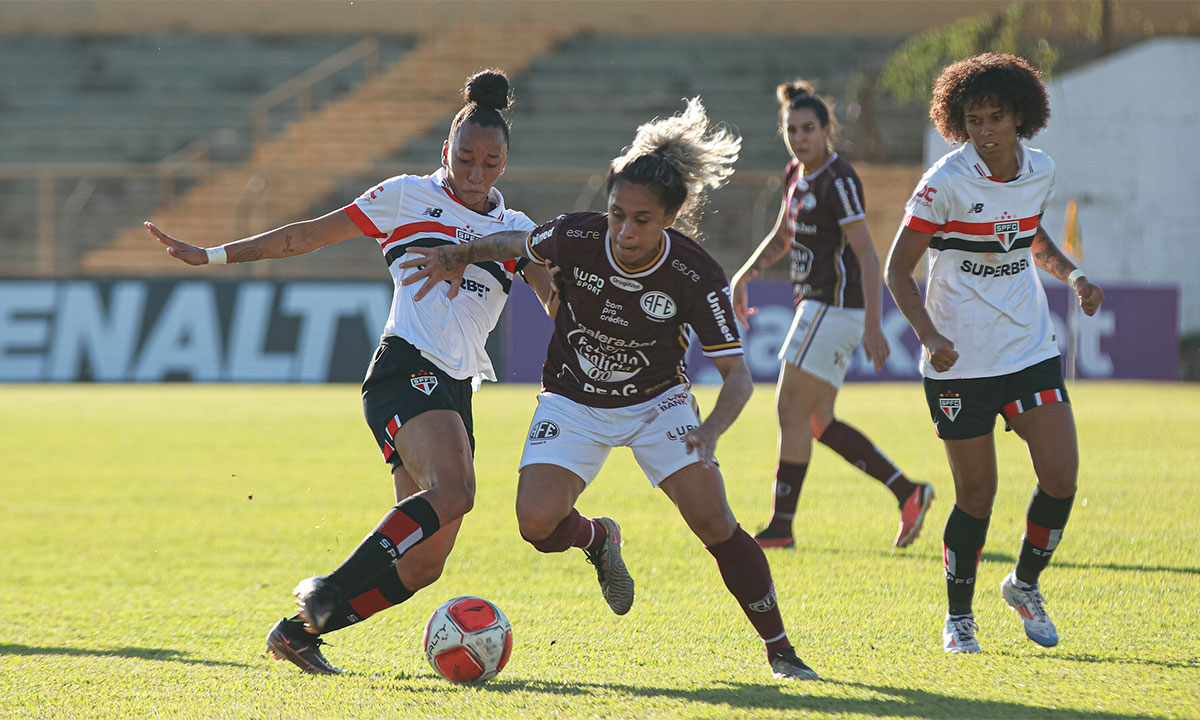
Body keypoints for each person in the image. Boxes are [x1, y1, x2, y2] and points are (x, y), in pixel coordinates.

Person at [145, 70, 556, 674]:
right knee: (458, 492)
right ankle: (327, 588)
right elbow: (305, 237)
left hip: (456, 392)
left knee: (422, 565)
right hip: (406, 368)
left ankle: (297, 633)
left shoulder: (515, 231)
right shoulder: (406, 197)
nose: (474, 173)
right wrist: (213, 254)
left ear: (505, 164)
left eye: (489, 163)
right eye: (464, 158)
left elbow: (557, 304)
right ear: (445, 151)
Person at [401, 97, 821, 681]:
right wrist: (458, 254)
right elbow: (513, 245)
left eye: (641, 220)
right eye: (617, 213)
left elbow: (739, 378)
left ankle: (782, 652)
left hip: (658, 406)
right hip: (572, 400)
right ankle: (598, 538)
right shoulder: (576, 235)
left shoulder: (696, 275)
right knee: (536, 524)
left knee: (715, 524)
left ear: (670, 218)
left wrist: (710, 430)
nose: (624, 230)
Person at [883, 53, 1104, 654]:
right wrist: (930, 336)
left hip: (1028, 348)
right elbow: (897, 270)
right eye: (974, 119)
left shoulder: (1040, 171)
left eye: (996, 117)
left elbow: (1028, 235)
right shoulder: (944, 182)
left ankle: (1024, 583)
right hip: (961, 363)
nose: (985, 130)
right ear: (959, 122)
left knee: (1061, 476)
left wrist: (1074, 276)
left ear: (1021, 117)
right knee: (977, 497)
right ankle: (959, 617)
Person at [730, 79, 934, 551]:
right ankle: (908, 492)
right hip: (820, 308)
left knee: (788, 409)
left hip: (833, 306)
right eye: (792, 130)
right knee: (818, 420)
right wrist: (744, 274)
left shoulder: (838, 180)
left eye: (808, 129)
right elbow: (784, 235)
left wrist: (873, 324)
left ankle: (781, 526)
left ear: (827, 130)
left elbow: (866, 253)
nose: (800, 138)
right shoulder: (795, 175)